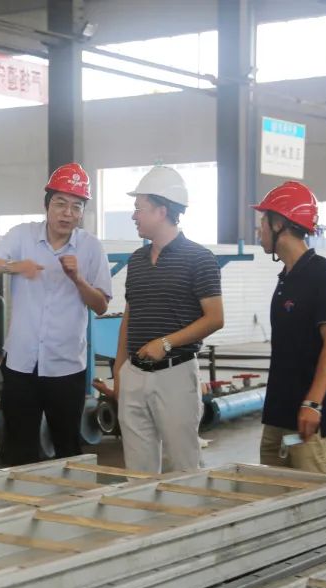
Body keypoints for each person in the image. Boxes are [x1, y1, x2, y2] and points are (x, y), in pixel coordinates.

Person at [0, 163, 112, 465]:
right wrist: (15, 266)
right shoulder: (22, 235)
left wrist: (78, 279)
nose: (67, 213)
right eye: (60, 203)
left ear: (82, 212)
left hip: (65, 366)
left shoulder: (91, 248)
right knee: (18, 449)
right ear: (47, 205)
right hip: (20, 363)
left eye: (76, 206)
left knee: (67, 448)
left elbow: (101, 305)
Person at [109, 166, 224, 474]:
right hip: (134, 373)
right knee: (138, 472)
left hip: (176, 374)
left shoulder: (200, 259)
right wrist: (119, 370)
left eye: (139, 208)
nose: (134, 216)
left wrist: (166, 343)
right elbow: (130, 315)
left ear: (162, 211)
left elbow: (215, 318)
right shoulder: (136, 260)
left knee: (184, 467)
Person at [253, 181, 326, 474]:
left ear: (279, 223)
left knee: (314, 498)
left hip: (311, 421)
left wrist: (313, 403)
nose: (259, 229)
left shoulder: (323, 276)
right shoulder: (286, 277)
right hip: (279, 414)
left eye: (263, 221)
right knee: (272, 495)